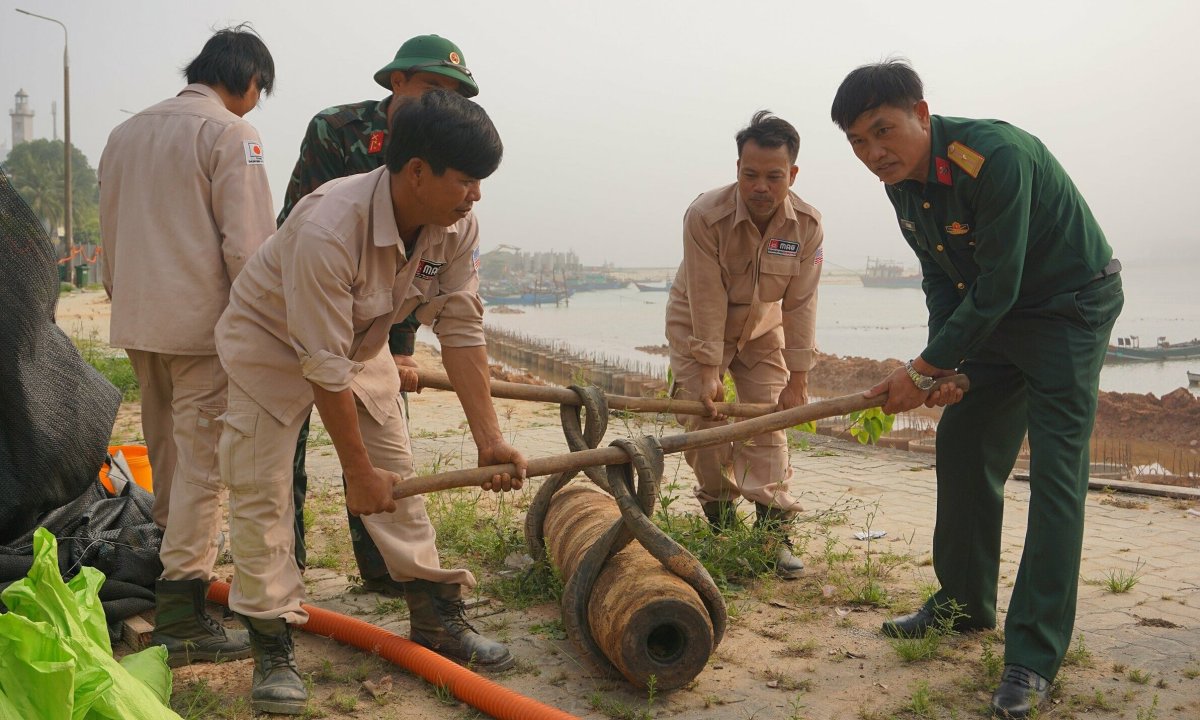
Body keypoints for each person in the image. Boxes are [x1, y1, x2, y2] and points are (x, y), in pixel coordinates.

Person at [215, 89, 526, 714]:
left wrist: (489, 439)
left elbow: (460, 327)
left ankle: (435, 618)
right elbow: (318, 364)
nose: (477, 196)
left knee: (396, 473)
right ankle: (272, 639)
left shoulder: (455, 226)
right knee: (261, 487)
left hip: (359, 341)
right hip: (270, 344)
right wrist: (355, 475)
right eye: (466, 181)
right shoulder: (329, 224)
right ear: (416, 172)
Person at [830, 60, 1123, 719]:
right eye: (857, 144)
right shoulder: (902, 182)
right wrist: (950, 368)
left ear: (923, 115)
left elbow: (998, 283)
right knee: (962, 442)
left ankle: (1033, 656)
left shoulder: (995, 158)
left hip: (1068, 309)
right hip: (998, 313)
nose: (874, 154)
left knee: (1054, 477)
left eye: (884, 132)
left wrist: (922, 369)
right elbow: (943, 277)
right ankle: (961, 606)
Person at [98, 25, 277, 667]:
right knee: (203, 467)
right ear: (247, 79)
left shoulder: (125, 133)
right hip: (205, 329)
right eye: (259, 90)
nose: (255, 103)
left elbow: (109, 236)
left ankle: (174, 576)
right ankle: (181, 612)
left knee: (168, 451)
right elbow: (250, 249)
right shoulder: (232, 134)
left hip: (141, 322)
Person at [277, 35, 478, 594]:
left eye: (456, 93)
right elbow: (308, 235)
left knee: (385, 453)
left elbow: (426, 262)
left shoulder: (451, 154)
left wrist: (403, 341)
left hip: (377, 318)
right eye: (434, 87)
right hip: (309, 300)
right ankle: (284, 576)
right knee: (279, 455)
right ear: (398, 83)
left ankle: (385, 570)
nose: (445, 100)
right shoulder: (337, 132)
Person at [665, 110, 824, 580]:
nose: (760, 186)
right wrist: (709, 369)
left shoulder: (807, 226)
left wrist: (799, 380)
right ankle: (721, 518)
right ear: (737, 168)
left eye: (773, 177)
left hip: (763, 328)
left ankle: (773, 534)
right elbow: (706, 296)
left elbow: (801, 304)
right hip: (696, 320)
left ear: (791, 175)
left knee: (768, 419)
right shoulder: (704, 216)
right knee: (702, 417)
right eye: (750, 174)